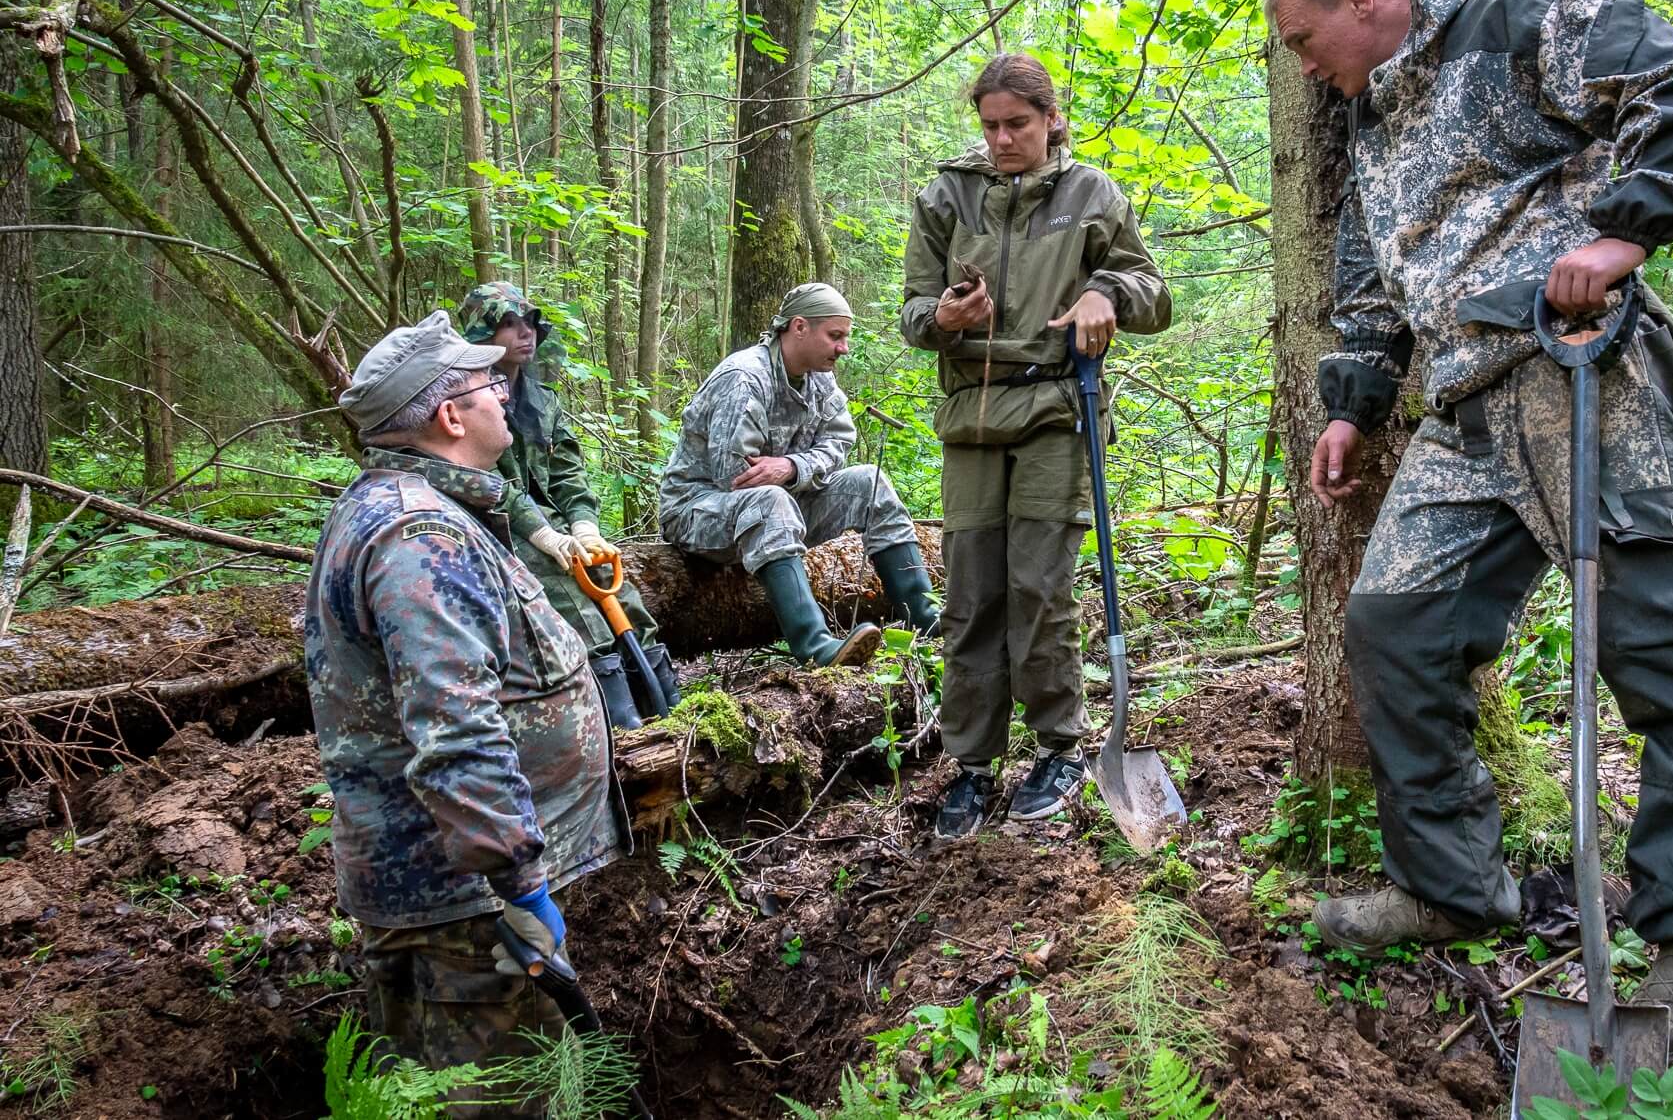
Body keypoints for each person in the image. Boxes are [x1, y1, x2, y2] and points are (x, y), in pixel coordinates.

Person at [1266, 0, 1673, 1055]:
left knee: (1671, 644)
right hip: (1458, 404)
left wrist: (1620, 235)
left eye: (1306, 42)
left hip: (1574, 371)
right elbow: (1374, 264)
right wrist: (1355, 398)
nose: (1303, 67)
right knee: (1393, 624)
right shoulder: (1369, 111)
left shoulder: (1511, 21)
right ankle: (1452, 886)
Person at [303, 311, 621, 1110]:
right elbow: (455, 733)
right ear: (450, 416)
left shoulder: (426, 512)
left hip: (467, 901)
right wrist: (523, 886)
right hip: (465, 911)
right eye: (490, 384)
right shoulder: (420, 535)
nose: (506, 393)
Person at [901, 52, 1172, 840]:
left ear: (1051, 118)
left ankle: (1059, 747)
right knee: (971, 594)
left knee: (1040, 587)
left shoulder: (1090, 192)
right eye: (989, 125)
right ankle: (972, 763)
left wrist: (1104, 290)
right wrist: (945, 318)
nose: (1001, 138)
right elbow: (913, 311)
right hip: (973, 414)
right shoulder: (947, 195)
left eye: (1016, 123)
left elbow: (1153, 293)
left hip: (1059, 407)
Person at [658, 281, 935, 667]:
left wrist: (792, 467)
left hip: (776, 505)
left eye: (845, 337)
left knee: (869, 484)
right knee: (769, 499)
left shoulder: (819, 378)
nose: (844, 348)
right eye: (835, 336)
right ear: (799, 327)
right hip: (698, 512)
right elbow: (734, 477)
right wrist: (787, 476)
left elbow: (839, 442)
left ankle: (924, 620)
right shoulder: (744, 378)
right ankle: (814, 646)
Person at [457, 282, 675, 729]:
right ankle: (621, 726)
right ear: (483, 336)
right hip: (494, 530)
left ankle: (669, 707)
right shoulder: (466, 400)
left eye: (530, 324)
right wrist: (543, 534)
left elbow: (568, 473)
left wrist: (584, 527)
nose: (525, 334)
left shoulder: (543, 402)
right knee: (569, 600)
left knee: (622, 594)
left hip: (552, 524)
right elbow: (488, 482)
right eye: (509, 326)